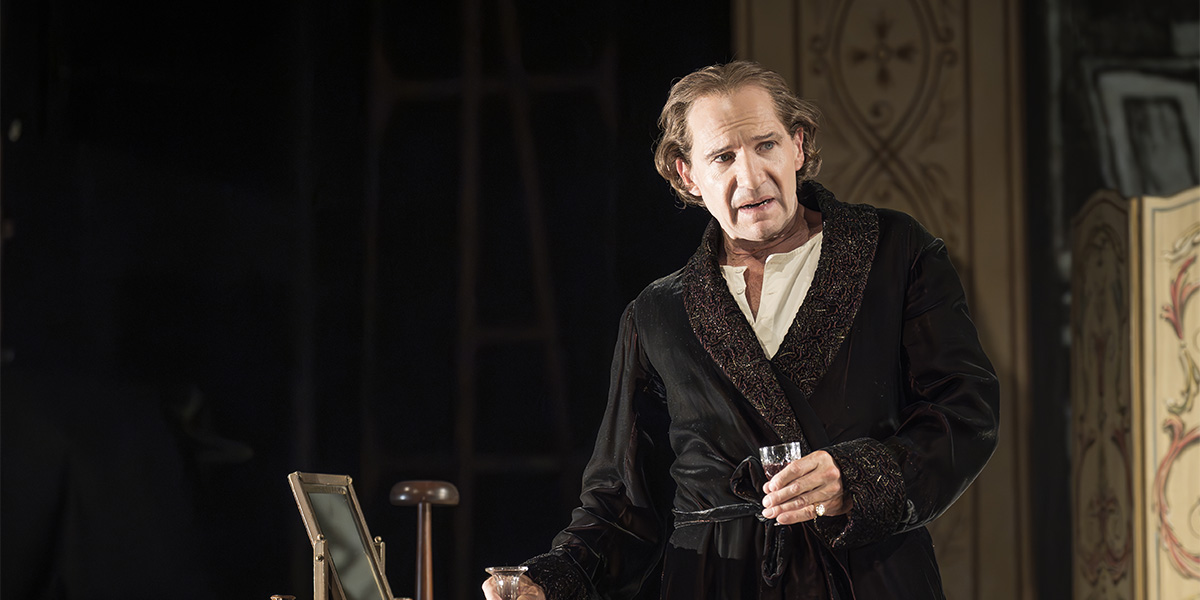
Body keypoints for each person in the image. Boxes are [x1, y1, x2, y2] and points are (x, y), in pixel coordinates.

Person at [482, 60, 998, 600]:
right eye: (723, 156)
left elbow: (964, 411)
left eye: (766, 145)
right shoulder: (657, 314)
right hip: (714, 581)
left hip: (868, 578)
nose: (750, 177)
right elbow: (622, 505)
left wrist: (856, 479)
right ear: (687, 174)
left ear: (798, 146)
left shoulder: (894, 252)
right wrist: (550, 581)